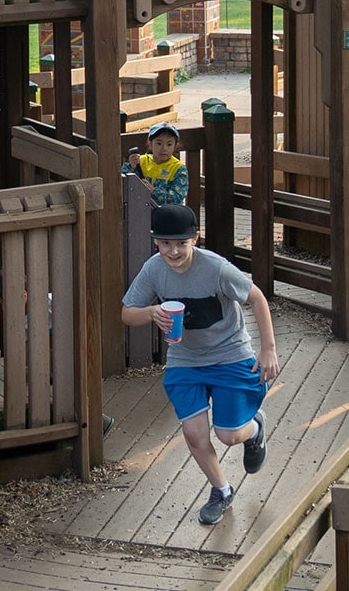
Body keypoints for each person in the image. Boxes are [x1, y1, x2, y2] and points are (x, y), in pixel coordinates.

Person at [121, 203, 280, 526]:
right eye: (166, 243)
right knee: (194, 434)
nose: (174, 251)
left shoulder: (216, 269)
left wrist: (268, 349)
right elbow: (127, 313)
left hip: (230, 355)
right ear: (156, 241)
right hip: (184, 360)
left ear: (195, 238)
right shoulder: (153, 269)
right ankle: (221, 490)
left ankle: (255, 429)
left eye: (181, 243)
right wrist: (151, 313)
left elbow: (257, 298)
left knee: (228, 435)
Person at [124, 120, 189, 206]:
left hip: (167, 214)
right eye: (159, 143)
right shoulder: (141, 161)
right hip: (140, 210)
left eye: (169, 144)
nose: (164, 148)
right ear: (150, 144)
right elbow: (121, 182)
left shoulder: (178, 169)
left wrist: (153, 191)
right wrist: (131, 167)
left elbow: (176, 198)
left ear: (175, 146)